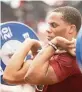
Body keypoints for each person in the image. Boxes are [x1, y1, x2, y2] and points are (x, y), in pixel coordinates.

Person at [3, 6, 82, 92]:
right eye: (49, 25)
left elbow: (31, 77)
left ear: (71, 29)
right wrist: (29, 43)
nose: (47, 30)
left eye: (54, 25)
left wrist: (55, 42)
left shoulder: (72, 58)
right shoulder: (51, 52)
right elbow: (9, 76)